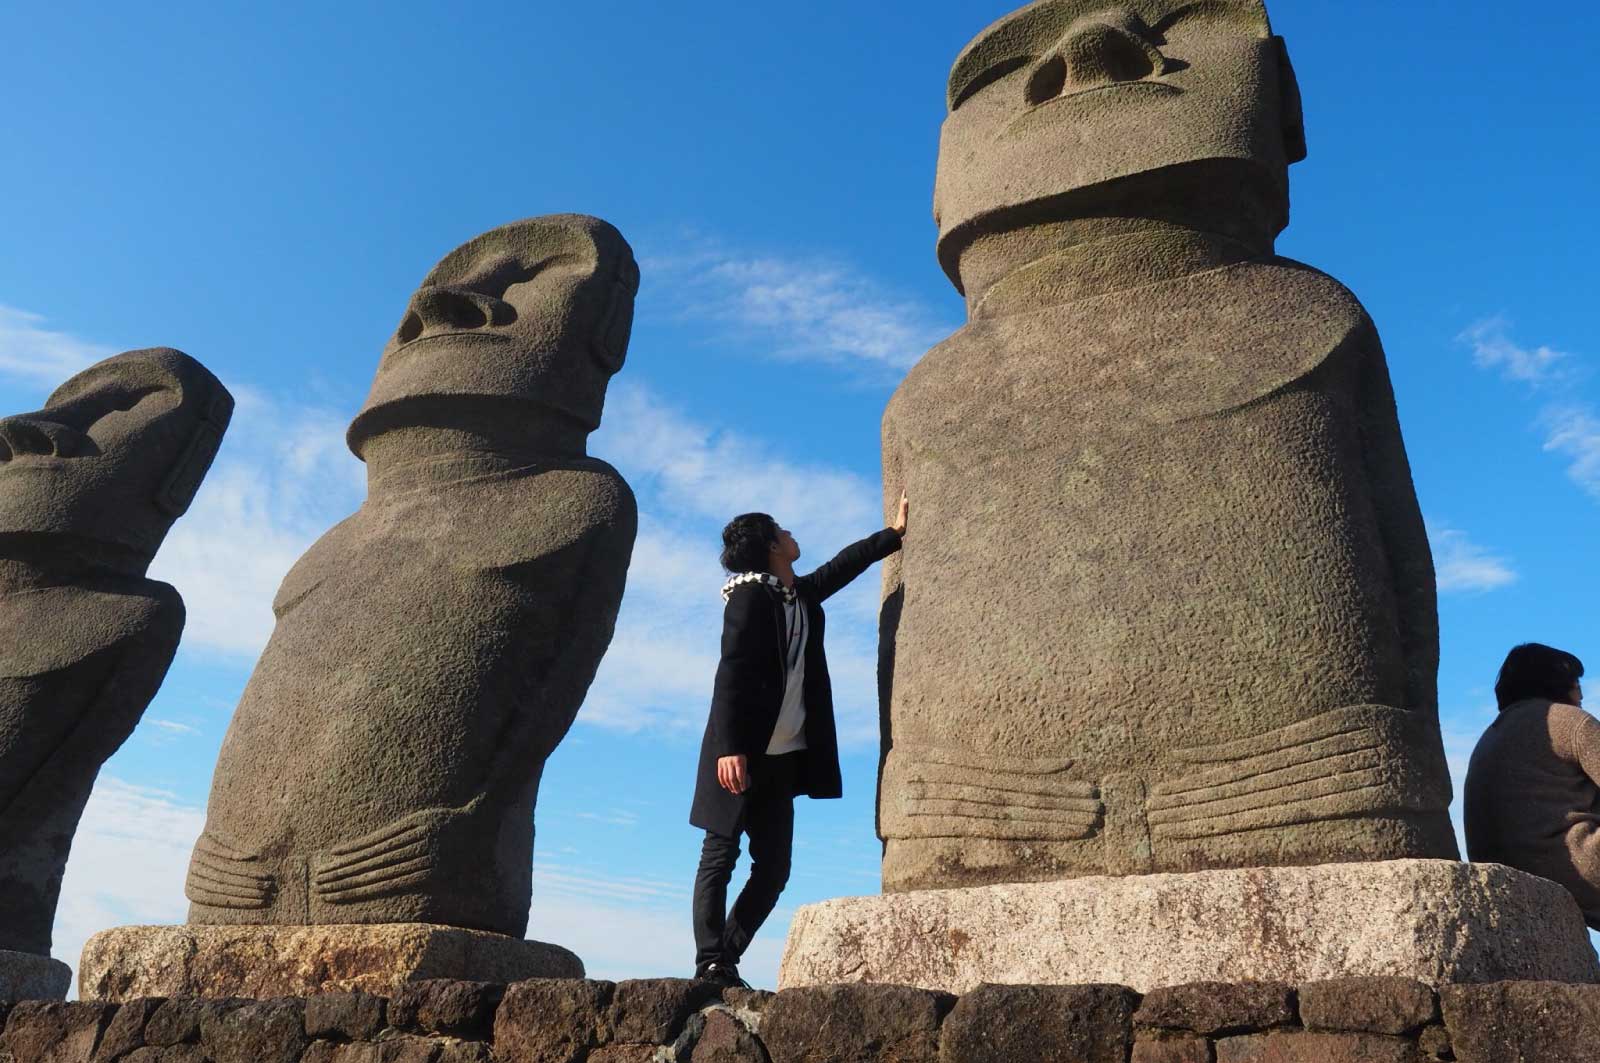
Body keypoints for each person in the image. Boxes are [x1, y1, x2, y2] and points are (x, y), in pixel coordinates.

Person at [688, 494, 909, 987]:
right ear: (771, 546)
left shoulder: (799, 595)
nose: (792, 535)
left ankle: (724, 957)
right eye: (783, 531)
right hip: (738, 754)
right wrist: (729, 748)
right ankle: (710, 962)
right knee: (720, 855)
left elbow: (841, 567)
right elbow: (732, 674)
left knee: (774, 869)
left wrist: (893, 534)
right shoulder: (748, 598)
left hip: (782, 759)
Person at [1464, 643, 1599, 926]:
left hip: (1512, 874)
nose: (1581, 696)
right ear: (1560, 684)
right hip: (1576, 866)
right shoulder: (1570, 722)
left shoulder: (1488, 739)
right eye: (1576, 685)